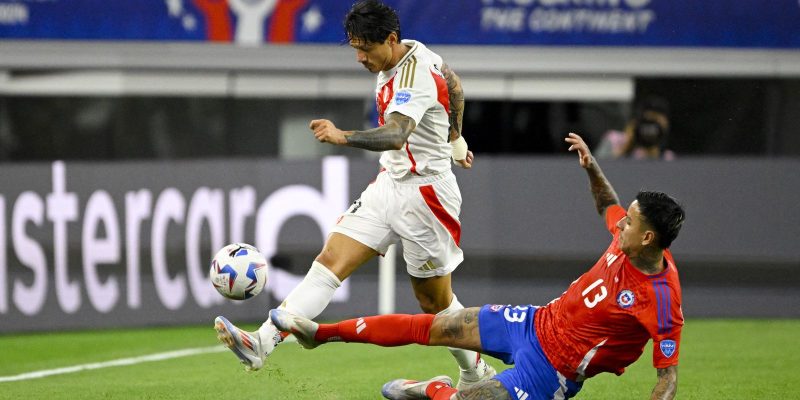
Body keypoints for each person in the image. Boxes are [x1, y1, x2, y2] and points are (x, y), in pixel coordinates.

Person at [269, 132, 685, 400]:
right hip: (533, 323)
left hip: (551, 372)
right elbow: (607, 204)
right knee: (434, 325)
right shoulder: (626, 239)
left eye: (630, 222)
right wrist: (592, 166)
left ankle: (434, 390)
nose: (621, 224)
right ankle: (320, 334)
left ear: (648, 238)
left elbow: (667, 378)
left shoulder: (662, 299)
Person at [214, 0, 495, 390]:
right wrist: (455, 138)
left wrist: (341, 136)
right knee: (330, 261)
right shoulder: (412, 54)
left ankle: (476, 372)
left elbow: (396, 134)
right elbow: (453, 84)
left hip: (427, 197)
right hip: (389, 184)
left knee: (435, 302)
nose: (360, 57)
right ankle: (262, 342)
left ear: (390, 39)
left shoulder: (412, 76)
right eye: (355, 48)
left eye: (366, 49)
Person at [595, 96, 675, 160]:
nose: (650, 129)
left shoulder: (667, 156)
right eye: (647, 122)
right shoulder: (613, 139)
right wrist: (626, 146)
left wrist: (655, 153)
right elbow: (596, 167)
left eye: (655, 124)